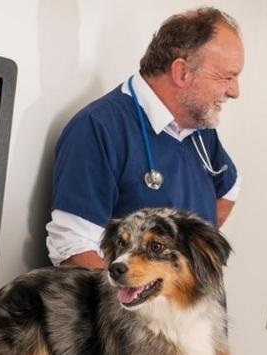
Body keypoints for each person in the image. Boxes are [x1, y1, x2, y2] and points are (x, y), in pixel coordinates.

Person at [45, 7, 244, 270]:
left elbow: (229, 189)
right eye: (226, 77)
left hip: (196, 312)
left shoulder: (201, 129)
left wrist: (187, 271)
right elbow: (74, 249)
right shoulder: (100, 127)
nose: (234, 91)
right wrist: (144, 302)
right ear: (182, 72)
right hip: (133, 311)